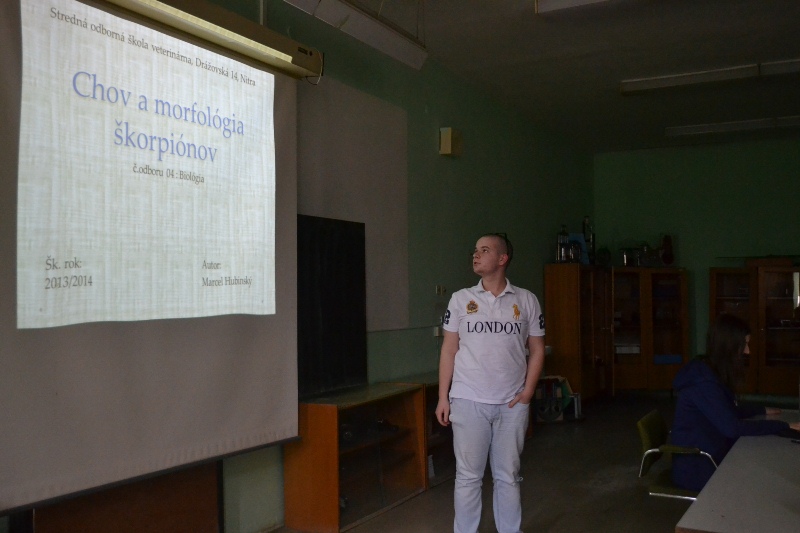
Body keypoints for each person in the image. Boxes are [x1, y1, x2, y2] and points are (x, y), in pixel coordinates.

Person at [435, 233, 545, 533]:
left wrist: (528, 392)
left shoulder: (526, 300)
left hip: (512, 403)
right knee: (468, 476)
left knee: (508, 476)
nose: (476, 255)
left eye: (484, 250)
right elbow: (449, 350)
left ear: (502, 258)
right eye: (475, 250)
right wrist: (443, 396)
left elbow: (537, 350)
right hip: (468, 399)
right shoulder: (460, 299)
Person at [670, 313, 800, 491]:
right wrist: (782, 425)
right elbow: (732, 428)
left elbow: (725, 410)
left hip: (711, 451)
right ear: (729, 347)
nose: (747, 352)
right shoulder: (703, 383)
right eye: (744, 345)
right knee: (761, 478)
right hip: (698, 466)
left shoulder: (709, 371)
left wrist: (760, 410)